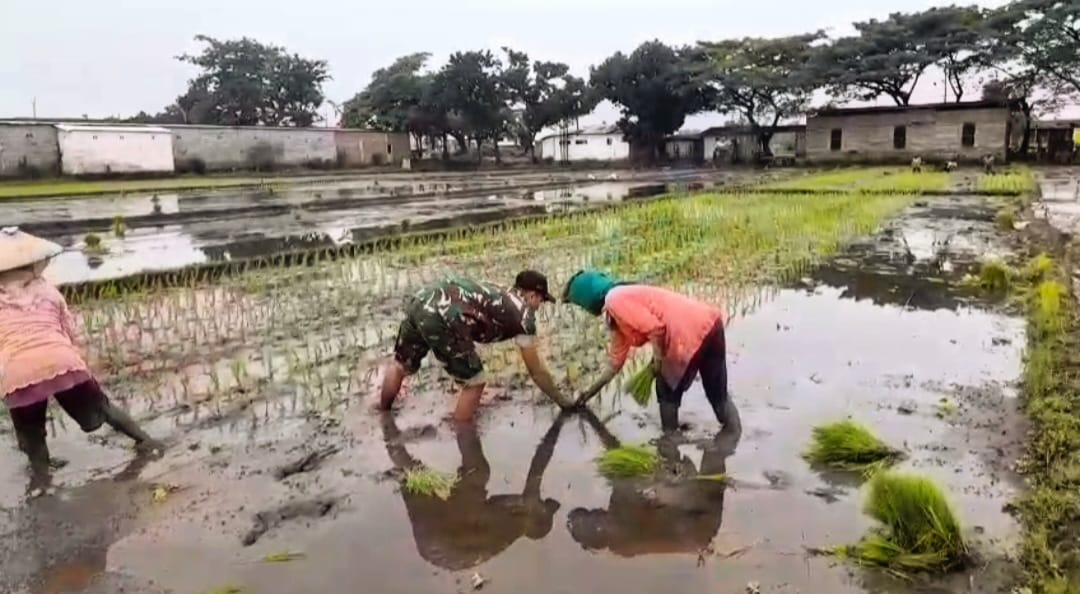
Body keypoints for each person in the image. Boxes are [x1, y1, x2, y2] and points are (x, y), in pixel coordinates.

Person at [0, 227, 160, 495]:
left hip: (18, 371)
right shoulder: (48, 292)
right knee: (103, 408)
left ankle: (41, 482)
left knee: (32, 432)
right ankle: (147, 442)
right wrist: (78, 364)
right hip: (61, 360)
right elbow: (69, 330)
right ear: (32, 264)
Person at [380, 411, 566, 570]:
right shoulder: (510, 529)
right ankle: (403, 453)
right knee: (463, 478)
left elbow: (498, 501)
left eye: (543, 505)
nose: (540, 500)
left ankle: (458, 429)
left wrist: (555, 430)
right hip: (438, 542)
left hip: (442, 537)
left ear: (535, 517)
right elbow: (494, 503)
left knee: (477, 473)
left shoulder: (511, 524)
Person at [379, 271, 571, 421]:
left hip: (422, 299)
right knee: (475, 381)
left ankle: (383, 414)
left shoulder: (500, 291)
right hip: (446, 313)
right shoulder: (524, 317)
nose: (539, 306)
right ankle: (463, 433)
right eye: (541, 300)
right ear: (532, 296)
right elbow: (536, 371)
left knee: (400, 364)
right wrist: (563, 402)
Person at [563, 269, 740, 433]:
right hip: (710, 324)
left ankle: (670, 442)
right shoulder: (622, 305)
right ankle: (733, 435)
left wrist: (657, 361)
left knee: (666, 392)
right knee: (718, 396)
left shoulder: (614, 299)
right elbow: (615, 364)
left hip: (683, 337)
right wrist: (587, 395)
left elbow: (656, 329)